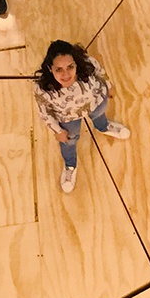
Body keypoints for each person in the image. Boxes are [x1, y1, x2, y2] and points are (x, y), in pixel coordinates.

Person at [33, 40, 131, 194]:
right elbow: (44, 113)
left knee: (100, 117)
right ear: (50, 69)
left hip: (95, 102)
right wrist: (57, 130)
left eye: (70, 67)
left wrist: (109, 85)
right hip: (68, 118)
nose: (66, 74)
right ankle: (70, 165)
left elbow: (100, 72)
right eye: (59, 69)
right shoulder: (42, 89)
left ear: (76, 64)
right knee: (69, 141)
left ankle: (103, 127)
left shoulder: (87, 63)